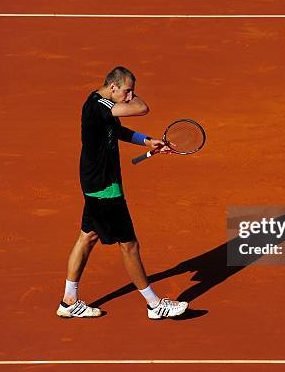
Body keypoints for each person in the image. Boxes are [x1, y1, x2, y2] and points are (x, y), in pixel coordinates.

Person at [56, 66, 188, 320]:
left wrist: (147, 141)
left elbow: (117, 130)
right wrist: (133, 100)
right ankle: (154, 304)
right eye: (127, 91)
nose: (130, 96)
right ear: (113, 86)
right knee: (129, 245)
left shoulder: (102, 105)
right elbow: (142, 108)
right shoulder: (98, 106)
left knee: (87, 238)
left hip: (94, 185)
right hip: (105, 189)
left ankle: (69, 301)